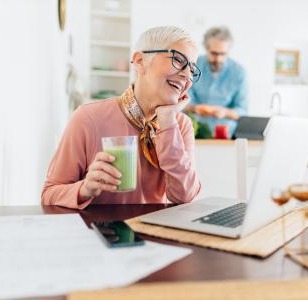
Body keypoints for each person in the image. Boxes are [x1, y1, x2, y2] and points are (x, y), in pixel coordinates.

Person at [42, 26, 202, 209]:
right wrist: (84, 189)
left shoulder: (181, 126)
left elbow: (184, 196)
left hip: (153, 235)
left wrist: (167, 122)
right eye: (178, 59)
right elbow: (49, 195)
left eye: (192, 69)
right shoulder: (88, 118)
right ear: (140, 61)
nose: (187, 74)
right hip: (100, 234)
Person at [185, 26, 249, 137]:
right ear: (206, 49)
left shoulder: (239, 72)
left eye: (223, 54)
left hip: (226, 133)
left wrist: (224, 112)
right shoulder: (193, 66)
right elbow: (182, 100)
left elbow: (242, 110)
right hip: (194, 131)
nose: (218, 59)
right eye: (214, 53)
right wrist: (194, 108)